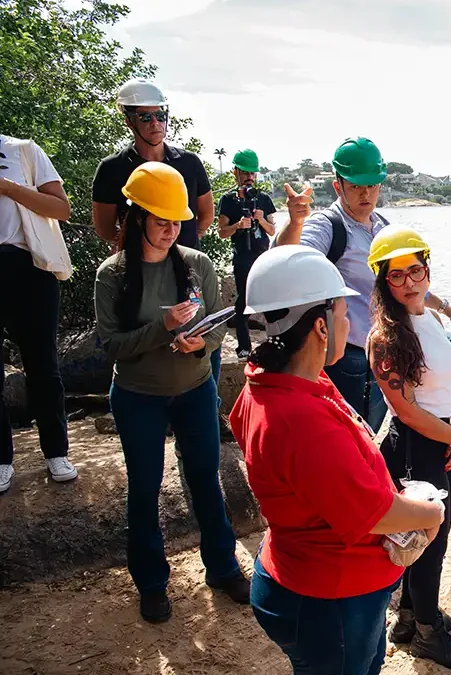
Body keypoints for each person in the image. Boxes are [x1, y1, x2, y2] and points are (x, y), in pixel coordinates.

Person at [230, 245, 444, 674]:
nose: (352, 323)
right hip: (329, 598)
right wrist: (432, 513)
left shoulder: (273, 382)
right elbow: (372, 513)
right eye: (346, 312)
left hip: (298, 574)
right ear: (321, 327)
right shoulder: (301, 421)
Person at [275, 137, 451, 458]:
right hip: (358, 353)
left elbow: (405, 279)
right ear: (338, 186)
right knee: (356, 436)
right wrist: (296, 222)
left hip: (402, 334)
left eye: (373, 185)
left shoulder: (382, 226)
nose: (366, 194)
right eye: (356, 186)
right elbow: (283, 261)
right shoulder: (328, 225)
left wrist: (444, 306)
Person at [94, 162, 248, 623]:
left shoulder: (197, 264)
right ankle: (152, 583)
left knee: (206, 479)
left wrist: (202, 341)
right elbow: (112, 347)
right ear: (136, 216)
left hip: (195, 389)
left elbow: (221, 325)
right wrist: (163, 328)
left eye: (176, 220)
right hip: (138, 396)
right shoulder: (113, 274)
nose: (170, 229)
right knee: (144, 489)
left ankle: (221, 567)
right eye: (160, 220)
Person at [367, 226, 451, 670]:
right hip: (415, 447)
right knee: (427, 543)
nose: (410, 282)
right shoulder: (385, 340)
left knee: (431, 537)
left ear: (427, 270)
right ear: (384, 283)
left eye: (415, 270)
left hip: (444, 438)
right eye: (397, 276)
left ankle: (410, 618)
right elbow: (408, 412)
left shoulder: (426, 317)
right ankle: (430, 634)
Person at [92, 78, 221, 394]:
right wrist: (139, 249)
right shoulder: (111, 169)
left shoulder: (188, 163)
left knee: (203, 348)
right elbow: (104, 227)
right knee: (145, 355)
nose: (155, 123)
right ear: (129, 120)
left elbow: (205, 213)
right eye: (145, 116)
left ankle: (200, 418)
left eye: (160, 115)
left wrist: (178, 244)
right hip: (140, 276)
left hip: (188, 273)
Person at [0, 134, 77, 493]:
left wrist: (8, 187)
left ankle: (56, 453)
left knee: (42, 365)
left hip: (29, 264)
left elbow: (61, 209)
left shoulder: (22, 150)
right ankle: (2, 459)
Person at [216, 149, 276, 359]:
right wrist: (238, 226)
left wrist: (261, 220)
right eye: (245, 173)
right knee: (242, 303)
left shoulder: (263, 198)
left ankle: (275, 344)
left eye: (253, 173)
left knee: (270, 302)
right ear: (236, 172)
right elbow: (221, 232)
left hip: (263, 257)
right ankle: (244, 346)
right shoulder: (228, 200)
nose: (250, 177)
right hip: (242, 257)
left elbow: (273, 230)